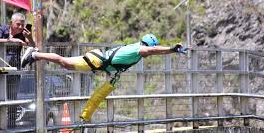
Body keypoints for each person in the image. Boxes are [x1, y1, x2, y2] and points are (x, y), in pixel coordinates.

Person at [21, 33, 187, 75]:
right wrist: (171, 49)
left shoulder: (136, 49)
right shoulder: (140, 49)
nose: (149, 53)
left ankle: (36, 55)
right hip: (97, 60)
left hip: (98, 60)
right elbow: (151, 51)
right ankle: (35, 54)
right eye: (152, 49)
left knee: (67, 66)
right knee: (65, 62)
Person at [0, 12, 34, 133]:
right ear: (11, 23)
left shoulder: (23, 34)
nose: (21, 27)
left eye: (22, 24)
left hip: (14, 71)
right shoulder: (3, 29)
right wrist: (11, 40)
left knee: (12, 101)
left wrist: (29, 37)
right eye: (18, 24)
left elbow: (33, 46)